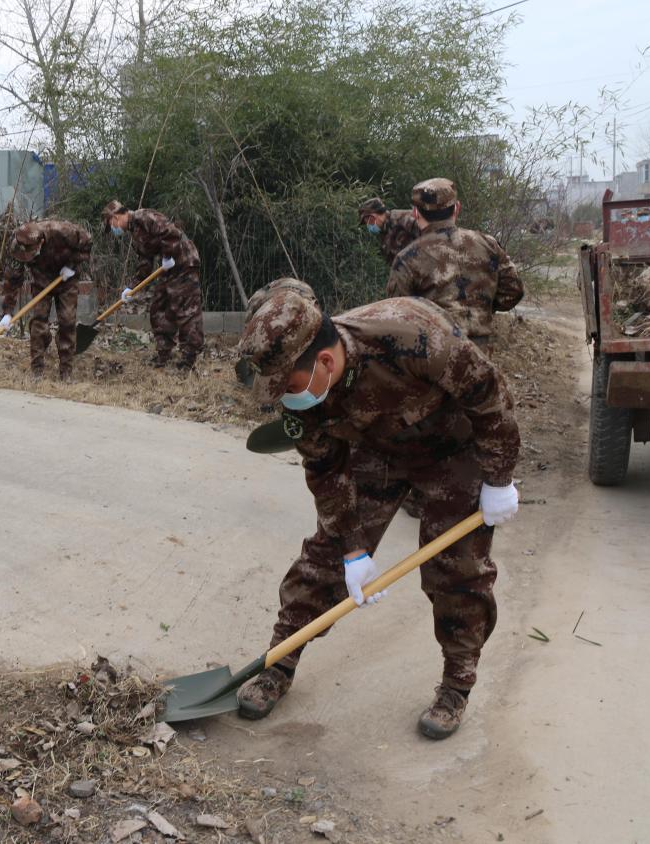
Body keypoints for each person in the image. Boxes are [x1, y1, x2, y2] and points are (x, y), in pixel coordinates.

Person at [234, 279, 521, 740]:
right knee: (322, 561)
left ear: (325, 361)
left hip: (454, 448)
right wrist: (351, 548)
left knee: (458, 571)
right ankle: (278, 664)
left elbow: (491, 400)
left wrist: (499, 478)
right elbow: (326, 469)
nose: (285, 397)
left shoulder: (417, 337)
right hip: (375, 452)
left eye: (289, 386)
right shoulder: (301, 399)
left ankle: (455, 687)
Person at [387, 179, 523, 346]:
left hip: (433, 356)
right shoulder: (488, 244)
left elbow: (397, 321)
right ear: (456, 208)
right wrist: (482, 307)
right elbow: (514, 291)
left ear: (415, 213)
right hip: (479, 356)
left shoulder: (407, 258)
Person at [102, 200, 204, 370]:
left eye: (111, 224)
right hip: (168, 269)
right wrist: (131, 288)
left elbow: (171, 232)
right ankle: (164, 354)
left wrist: (167, 255)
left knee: (186, 310)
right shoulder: (135, 233)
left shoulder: (144, 216)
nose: (114, 229)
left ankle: (189, 359)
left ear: (116, 217)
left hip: (184, 261)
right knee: (159, 307)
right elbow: (145, 264)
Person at [0, 219, 94, 379]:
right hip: (41, 281)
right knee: (38, 322)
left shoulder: (62, 231)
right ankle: (37, 370)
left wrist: (72, 265)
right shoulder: (17, 244)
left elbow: (87, 243)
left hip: (66, 280)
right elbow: (13, 278)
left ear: (41, 242)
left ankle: (66, 372)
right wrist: (7, 311)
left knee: (67, 322)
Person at [357, 197, 421, 265]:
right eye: (366, 223)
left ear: (378, 214)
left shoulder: (405, 218)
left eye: (370, 220)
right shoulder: (384, 233)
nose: (369, 225)